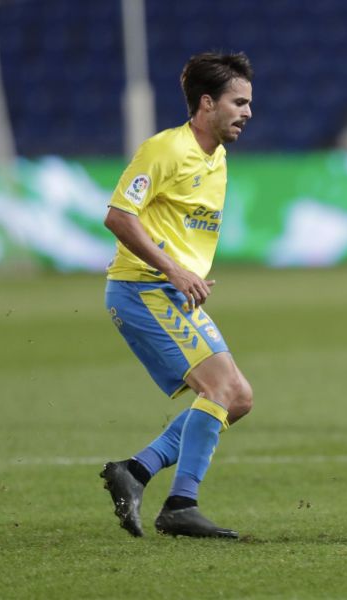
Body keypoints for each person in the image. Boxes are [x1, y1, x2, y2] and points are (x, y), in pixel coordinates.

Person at [99, 52, 254, 539]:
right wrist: (174, 269)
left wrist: (185, 274)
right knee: (222, 391)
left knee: (239, 399)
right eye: (239, 101)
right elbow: (119, 216)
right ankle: (181, 504)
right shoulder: (165, 149)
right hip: (144, 289)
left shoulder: (219, 157)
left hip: (173, 292)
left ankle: (137, 470)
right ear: (206, 103)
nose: (248, 111)